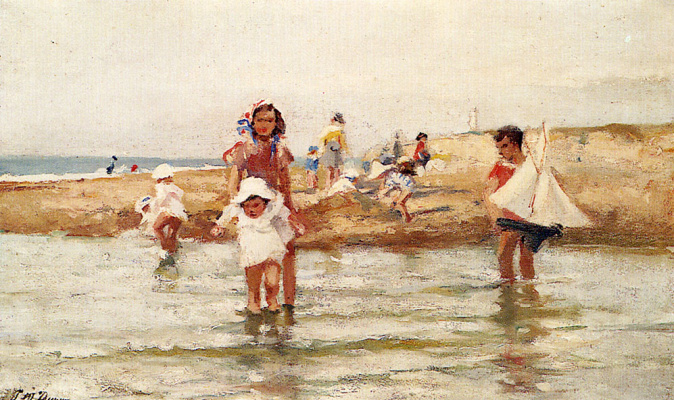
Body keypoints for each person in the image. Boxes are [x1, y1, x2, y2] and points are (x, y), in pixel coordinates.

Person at [223, 100, 300, 309]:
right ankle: (253, 300)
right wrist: (238, 207)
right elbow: (234, 181)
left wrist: (290, 211)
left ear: (276, 124)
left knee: (282, 252)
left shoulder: (280, 149)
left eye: (269, 120)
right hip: (252, 205)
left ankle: (282, 300)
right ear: (253, 122)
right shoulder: (245, 148)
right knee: (253, 255)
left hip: (274, 204)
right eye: (259, 120)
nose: (264, 125)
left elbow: (285, 183)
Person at [211, 177, 304, 315]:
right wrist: (219, 227)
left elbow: (286, 215)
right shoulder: (238, 211)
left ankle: (272, 300)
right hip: (251, 248)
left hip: (270, 246)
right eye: (247, 206)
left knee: (272, 281)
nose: (251, 210)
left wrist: (296, 224)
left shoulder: (272, 208)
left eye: (256, 205)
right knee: (253, 281)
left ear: (265, 203)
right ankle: (253, 303)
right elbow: (225, 217)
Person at [483, 126, 534, 283]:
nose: (500, 152)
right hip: (509, 220)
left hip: (530, 220)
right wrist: (495, 218)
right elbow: (487, 194)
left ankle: (529, 293)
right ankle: (508, 291)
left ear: (515, 144)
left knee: (526, 260)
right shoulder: (501, 167)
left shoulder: (531, 167)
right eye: (498, 147)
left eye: (504, 146)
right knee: (504, 257)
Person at [150, 163, 188, 255]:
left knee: (156, 228)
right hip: (179, 214)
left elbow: (161, 199)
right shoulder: (174, 187)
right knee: (172, 235)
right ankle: (172, 252)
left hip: (168, 212)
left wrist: (155, 206)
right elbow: (180, 196)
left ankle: (164, 249)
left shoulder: (161, 186)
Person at [374, 156, 417, 223]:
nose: (404, 166)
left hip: (408, 187)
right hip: (400, 188)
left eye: (406, 164)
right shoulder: (392, 172)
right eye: (403, 164)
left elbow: (407, 185)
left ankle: (408, 218)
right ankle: (403, 216)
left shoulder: (406, 176)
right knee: (394, 204)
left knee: (400, 203)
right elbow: (385, 183)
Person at [319, 112, 350, 190]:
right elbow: (343, 142)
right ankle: (333, 186)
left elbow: (322, 139)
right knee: (335, 169)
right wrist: (346, 150)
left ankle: (329, 186)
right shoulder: (339, 130)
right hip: (334, 149)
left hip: (331, 149)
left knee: (331, 169)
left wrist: (321, 149)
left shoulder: (329, 129)